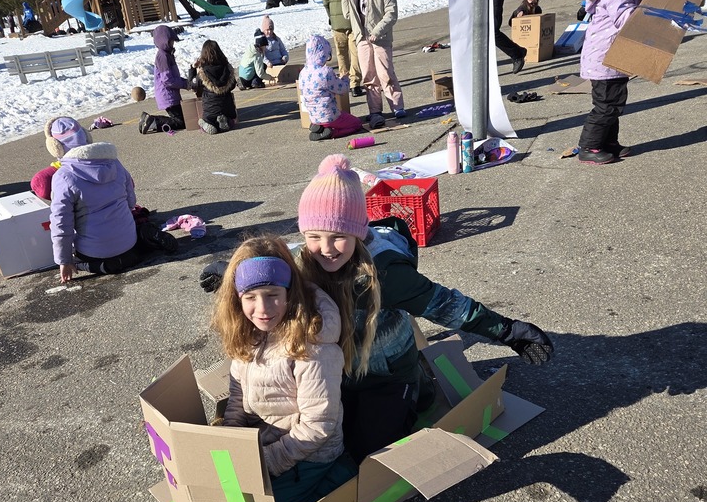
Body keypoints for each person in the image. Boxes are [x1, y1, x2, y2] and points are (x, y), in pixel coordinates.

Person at [200, 155, 555, 464]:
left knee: (364, 450)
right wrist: (228, 271)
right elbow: (267, 264)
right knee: (301, 435)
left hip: (384, 375)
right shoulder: (302, 260)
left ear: (358, 232)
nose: (325, 249)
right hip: (332, 372)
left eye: (338, 236)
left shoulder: (385, 275)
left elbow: (449, 306)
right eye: (314, 236)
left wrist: (509, 331)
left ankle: (418, 389)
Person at [213, 236, 356, 502]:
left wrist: (265, 463)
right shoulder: (248, 332)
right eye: (250, 297)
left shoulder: (313, 345)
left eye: (272, 294)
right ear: (237, 299)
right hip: (265, 441)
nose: (262, 308)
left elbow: (318, 426)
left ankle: (338, 477)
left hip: (309, 455)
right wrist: (232, 445)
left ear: (290, 292)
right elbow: (238, 403)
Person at [47, 116, 176, 283]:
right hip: (129, 241)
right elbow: (131, 200)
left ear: (55, 147)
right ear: (87, 136)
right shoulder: (113, 162)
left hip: (95, 251)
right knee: (127, 238)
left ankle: (105, 263)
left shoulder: (63, 177)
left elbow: (61, 223)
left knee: (85, 259)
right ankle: (141, 239)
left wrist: (64, 260)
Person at [576, 0, 649, 165]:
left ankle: (608, 143)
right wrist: (650, 17)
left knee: (614, 104)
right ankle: (589, 146)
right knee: (606, 106)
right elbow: (623, 17)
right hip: (604, 56)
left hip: (615, 55)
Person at [340, 0, 405, 130]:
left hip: (380, 38)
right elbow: (348, 14)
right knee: (369, 76)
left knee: (385, 73)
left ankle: (397, 106)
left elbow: (392, 13)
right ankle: (375, 110)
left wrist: (377, 31)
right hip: (362, 38)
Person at [298, 34, 363, 142]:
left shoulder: (303, 72)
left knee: (331, 116)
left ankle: (319, 126)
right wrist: (345, 79)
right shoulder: (325, 72)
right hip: (330, 116)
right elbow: (342, 89)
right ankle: (332, 132)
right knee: (356, 123)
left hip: (313, 116)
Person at [139, 26, 189, 135]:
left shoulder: (167, 55)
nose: (173, 44)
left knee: (184, 118)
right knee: (181, 122)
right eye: (171, 41)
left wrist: (186, 81)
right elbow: (168, 80)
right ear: (164, 41)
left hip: (171, 95)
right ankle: (152, 121)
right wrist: (186, 84)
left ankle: (151, 120)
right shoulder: (163, 57)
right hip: (167, 96)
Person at [190, 39, 237, 135]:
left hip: (210, 111)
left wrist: (192, 69)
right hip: (227, 109)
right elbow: (232, 85)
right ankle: (226, 121)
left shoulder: (203, 72)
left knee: (207, 121)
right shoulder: (227, 68)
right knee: (232, 121)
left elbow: (192, 85)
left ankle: (206, 124)